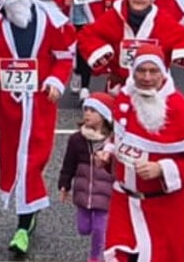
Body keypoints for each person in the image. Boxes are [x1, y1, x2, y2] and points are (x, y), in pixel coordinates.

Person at [0, 0, 76, 256]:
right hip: (8, 104)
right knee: (11, 155)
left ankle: (23, 223)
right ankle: (27, 211)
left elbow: (63, 56)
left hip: (40, 101)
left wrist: (56, 80)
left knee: (32, 157)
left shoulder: (50, 20)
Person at [95, 46, 184, 261]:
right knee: (120, 254)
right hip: (124, 201)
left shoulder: (179, 109)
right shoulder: (125, 98)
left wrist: (162, 169)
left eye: (153, 71)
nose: (147, 77)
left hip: (162, 208)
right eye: (141, 71)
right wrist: (107, 152)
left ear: (163, 73)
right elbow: (120, 137)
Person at [57, 92, 115, 262]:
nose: (87, 113)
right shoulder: (76, 140)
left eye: (93, 110)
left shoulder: (113, 141)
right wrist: (64, 185)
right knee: (83, 228)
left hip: (106, 194)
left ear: (104, 116)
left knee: (99, 229)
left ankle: (95, 257)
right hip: (83, 194)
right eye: (86, 109)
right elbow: (68, 165)